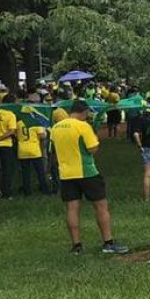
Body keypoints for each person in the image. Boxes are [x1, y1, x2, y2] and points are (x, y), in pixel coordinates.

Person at [50, 100, 128, 255]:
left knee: (72, 209)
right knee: (101, 206)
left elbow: (53, 150)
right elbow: (93, 149)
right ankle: (108, 242)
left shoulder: (56, 128)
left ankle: (76, 246)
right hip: (87, 172)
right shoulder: (83, 126)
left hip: (66, 173)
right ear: (84, 112)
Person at [16, 119, 52, 196]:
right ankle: (44, 189)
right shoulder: (35, 122)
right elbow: (42, 135)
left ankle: (27, 191)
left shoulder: (18, 123)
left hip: (22, 150)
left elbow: (16, 135)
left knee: (26, 172)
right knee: (40, 171)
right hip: (34, 150)